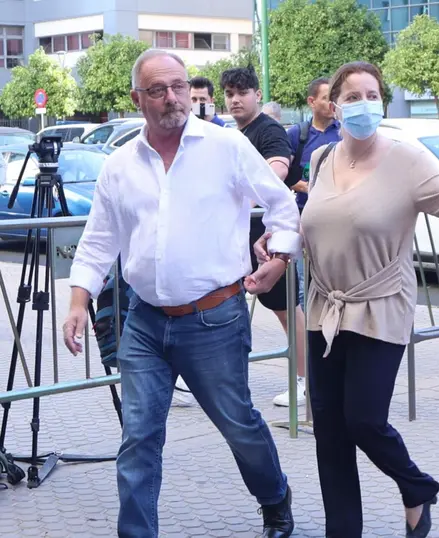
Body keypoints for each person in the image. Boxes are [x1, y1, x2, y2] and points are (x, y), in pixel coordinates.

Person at [254, 61, 439, 538]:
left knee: (365, 421)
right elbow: (313, 226)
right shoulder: (322, 159)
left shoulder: (407, 160)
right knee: (328, 431)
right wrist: (278, 251)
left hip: (380, 306)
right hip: (324, 307)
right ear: (334, 105)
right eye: (352, 96)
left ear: (383, 101)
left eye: (372, 94)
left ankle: (416, 487)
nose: (363, 104)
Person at [61, 49, 297, 538]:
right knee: (139, 437)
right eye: (157, 90)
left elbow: (281, 206)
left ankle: (275, 498)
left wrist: (278, 261)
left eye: (178, 87)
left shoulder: (225, 147)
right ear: (136, 98)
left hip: (215, 319)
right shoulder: (121, 164)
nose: (172, 98)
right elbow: (99, 240)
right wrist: (79, 300)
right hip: (144, 321)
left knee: (238, 424)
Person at [221, 66, 307, 397]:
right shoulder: (237, 134)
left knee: (287, 308)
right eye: (229, 94)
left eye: (242, 93)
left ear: (257, 95)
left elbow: (276, 172)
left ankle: (306, 381)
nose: (235, 100)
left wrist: (250, 187)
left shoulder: (268, 130)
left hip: (270, 236)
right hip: (243, 237)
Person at [270, 77, 341, 407]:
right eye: (326, 98)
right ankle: (307, 378)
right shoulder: (297, 135)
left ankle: (333, 373)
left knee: (335, 298)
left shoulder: (345, 133)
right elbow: (287, 175)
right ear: (312, 102)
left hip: (337, 230)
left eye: (334, 98)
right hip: (302, 227)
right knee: (302, 299)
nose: (331, 104)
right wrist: (307, 187)